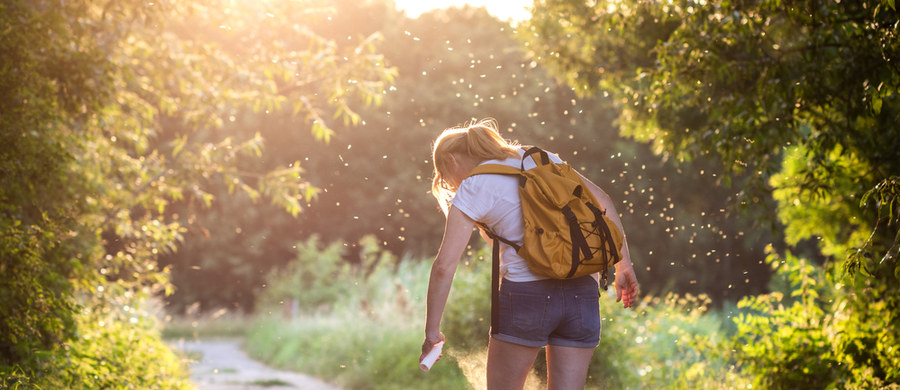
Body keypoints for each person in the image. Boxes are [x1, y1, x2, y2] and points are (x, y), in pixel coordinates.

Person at [420, 118, 640, 390]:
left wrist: (432, 332)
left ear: (451, 161)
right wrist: (624, 266)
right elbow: (603, 200)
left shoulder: (476, 185)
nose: (450, 184)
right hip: (582, 292)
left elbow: (444, 266)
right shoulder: (544, 158)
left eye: (444, 176)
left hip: (527, 296)